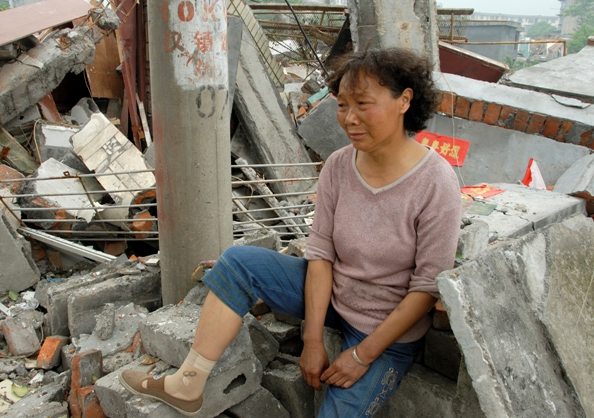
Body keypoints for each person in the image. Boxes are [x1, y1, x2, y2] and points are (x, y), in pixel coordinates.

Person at [119, 47, 462, 417]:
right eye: (343, 105)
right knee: (238, 263)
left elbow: (426, 289)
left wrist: (362, 355)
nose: (349, 118)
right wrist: (312, 341)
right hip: (336, 299)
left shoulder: (436, 181)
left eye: (363, 103)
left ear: (404, 101)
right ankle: (187, 384)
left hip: (388, 333)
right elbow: (321, 257)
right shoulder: (338, 165)